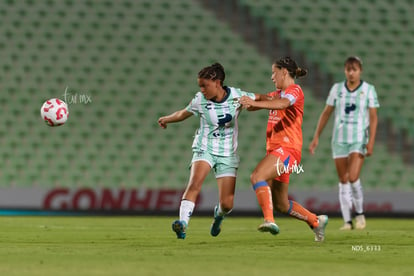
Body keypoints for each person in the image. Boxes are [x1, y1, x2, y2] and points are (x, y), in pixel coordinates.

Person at [158, 63, 257, 239]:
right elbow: (183, 113)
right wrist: (167, 119)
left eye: (205, 86)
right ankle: (182, 224)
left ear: (217, 82)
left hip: (227, 153)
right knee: (195, 183)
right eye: (200, 86)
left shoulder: (237, 95)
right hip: (205, 147)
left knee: (227, 204)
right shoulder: (200, 100)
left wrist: (276, 101)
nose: (202, 90)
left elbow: (260, 97)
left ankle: (218, 216)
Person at [239, 57, 328, 242]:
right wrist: (246, 97)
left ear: (284, 72)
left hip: (287, 149)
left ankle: (269, 221)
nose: (272, 77)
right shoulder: (278, 94)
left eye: (274, 72)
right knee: (281, 203)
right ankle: (316, 221)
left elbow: (283, 104)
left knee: (257, 176)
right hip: (277, 151)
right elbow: (265, 98)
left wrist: (255, 103)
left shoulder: (294, 90)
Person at [309, 56, 379, 230]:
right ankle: (348, 221)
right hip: (339, 140)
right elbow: (326, 113)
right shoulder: (337, 89)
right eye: (348, 69)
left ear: (360, 70)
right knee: (343, 180)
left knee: (353, 177)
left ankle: (360, 214)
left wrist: (371, 141)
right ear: (344, 70)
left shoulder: (369, 89)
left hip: (358, 138)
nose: (351, 72)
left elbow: (373, 117)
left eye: (354, 69)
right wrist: (316, 136)